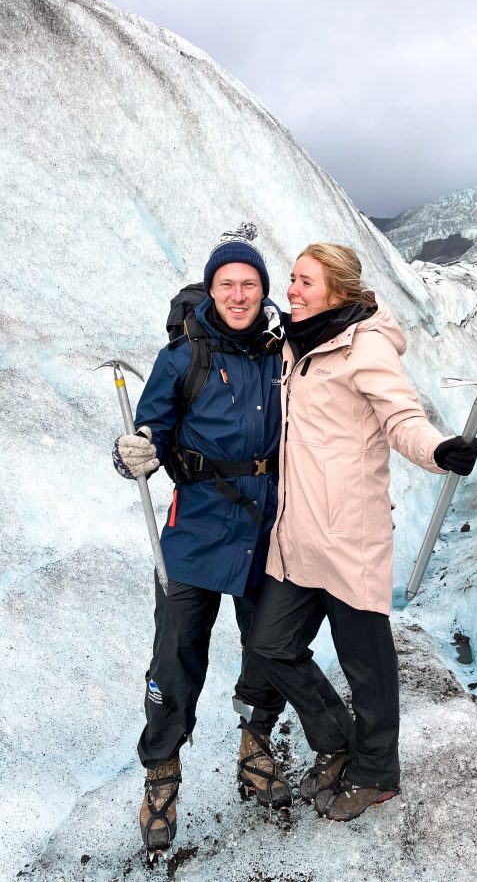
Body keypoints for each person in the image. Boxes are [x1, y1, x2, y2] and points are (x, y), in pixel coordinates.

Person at [244, 243, 477, 822]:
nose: (291, 290)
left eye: (304, 282)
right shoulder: (293, 345)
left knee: (366, 664)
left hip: (349, 533)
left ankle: (376, 772)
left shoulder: (363, 344)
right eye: (292, 280)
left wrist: (438, 449)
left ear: (338, 292)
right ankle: (337, 740)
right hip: (295, 536)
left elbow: (401, 417)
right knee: (270, 643)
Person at [112, 224, 291, 856]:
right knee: (176, 652)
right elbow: (153, 426)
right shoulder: (184, 356)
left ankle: (256, 744)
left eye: (249, 284)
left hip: (267, 531)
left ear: (263, 291)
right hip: (194, 530)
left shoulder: (283, 353)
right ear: (210, 290)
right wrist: (135, 451)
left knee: (268, 647)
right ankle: (162, 774)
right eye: (226, 284)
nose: (238, 295)